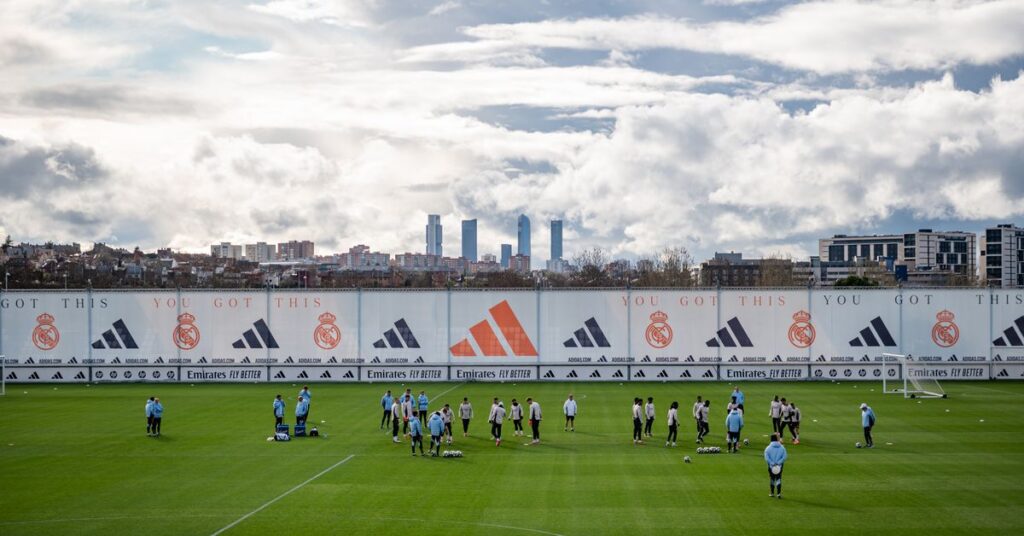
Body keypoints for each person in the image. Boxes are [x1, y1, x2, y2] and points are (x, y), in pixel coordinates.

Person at [764, 433, 788, 498]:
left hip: (771, 466)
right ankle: (779, 494)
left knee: (772, 478)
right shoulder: (782, 447)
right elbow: (785, 456)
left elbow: (766, 458)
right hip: (779, 466)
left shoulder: (768, 448)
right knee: (778, 478)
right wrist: (778, 462)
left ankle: (772, 493)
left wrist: (772, 463)